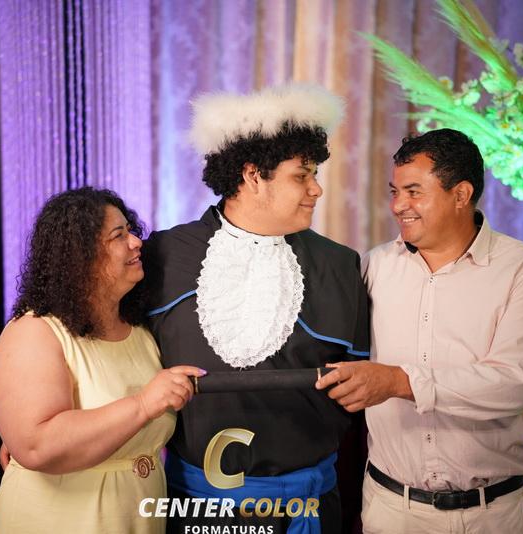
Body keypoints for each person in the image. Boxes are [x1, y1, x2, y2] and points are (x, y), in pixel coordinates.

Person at [143, 83, 370, 534]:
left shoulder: (340, 265)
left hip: (309, 510)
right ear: (252, 176)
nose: (317, 189)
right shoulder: (163, 256)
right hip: (195, 509)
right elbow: (107, 350)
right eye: (301, 176)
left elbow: (362, 392)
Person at [316, 129, 523, 534]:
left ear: (461, 194)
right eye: (395, 192)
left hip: (493, 515)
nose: (398, 206)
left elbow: (511, 384)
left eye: (414, 192)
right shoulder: (374, 266)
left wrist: (398, 381)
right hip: (391, 511)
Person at [0, 187, 203, 534]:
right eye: (119, 236)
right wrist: (143, 404)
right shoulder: (34, 332)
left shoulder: (142, 332)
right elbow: (36, 445)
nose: (136, 242)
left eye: (130, 231)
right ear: (80, 256)